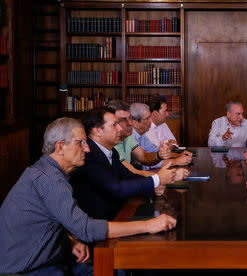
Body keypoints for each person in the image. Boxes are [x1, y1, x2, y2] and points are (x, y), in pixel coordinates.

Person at [0, 117, 176, 275]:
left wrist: (70, 241)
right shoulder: (50, 179)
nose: (87, 148)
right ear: (60, 147)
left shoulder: (46, 171)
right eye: (81, 143)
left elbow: (47, 219)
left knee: (118, 268)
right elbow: (86, 229)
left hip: (52, 257)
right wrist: (149, 225)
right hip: (28, 268)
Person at [70, 107, 178, 220]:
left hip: (116, 213)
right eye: (114, 125)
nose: (120, 128)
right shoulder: (89, 154)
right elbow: (117, 188)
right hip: (100, 223)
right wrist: (157, 179)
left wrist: (153, 186)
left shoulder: (111, 151)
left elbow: (128, 176)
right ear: (97, 131)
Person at [107, 100, 192, 177]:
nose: (130, 123)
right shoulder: (111, 142)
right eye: (123, 120)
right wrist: (170, 175)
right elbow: (132, 172)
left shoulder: (128, 136)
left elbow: (144, 157)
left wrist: (159, 155)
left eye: (130, 118)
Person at [130, 102, 192, 172]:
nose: (151, 121)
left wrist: (178, 155)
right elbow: (146, 161)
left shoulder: (142, 135)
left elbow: (154, 151)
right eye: (147, 118)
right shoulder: (130, 136)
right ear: (135, 123)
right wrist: (175, 161)